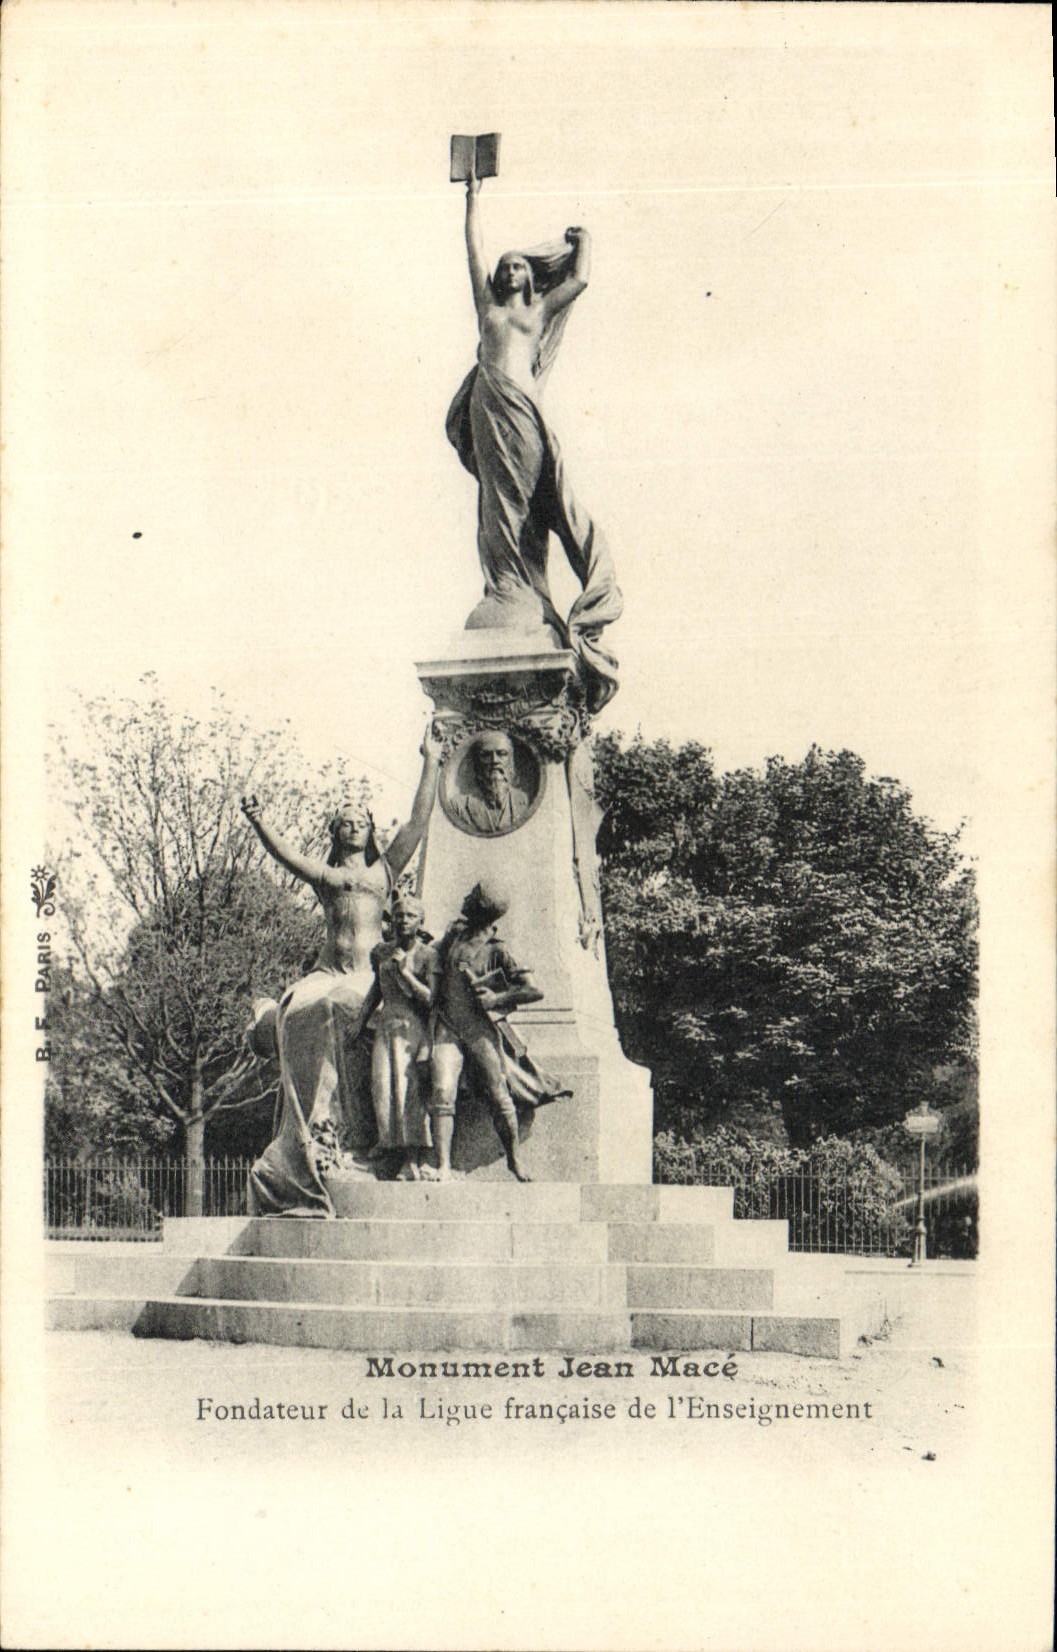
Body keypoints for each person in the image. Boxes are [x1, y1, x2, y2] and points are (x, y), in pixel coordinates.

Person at [240, 731, 443, 1215]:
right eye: (345, 823)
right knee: (298, 1009)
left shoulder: (384, 873)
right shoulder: (328, 877)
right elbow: (285, 854)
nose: (353, 827)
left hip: (369, 973)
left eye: (360, 822)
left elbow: (418, 821)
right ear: (335, 833)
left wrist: (431, 761)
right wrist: (257, 820)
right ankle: (313, 1133)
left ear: (370, 830)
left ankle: (345, 1133)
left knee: (341, 1007)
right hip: (327, 968)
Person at [445, 162, 623, 715]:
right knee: (495, 502)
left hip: (523, 414)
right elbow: (471, 249)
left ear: (530, 277)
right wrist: (472, 197)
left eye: (520, 265)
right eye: (508, 265)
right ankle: (505, 589)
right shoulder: (488, 310)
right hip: (488, 406)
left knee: (527, 505)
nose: (512, 269)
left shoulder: (540, 311)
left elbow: (580, 280)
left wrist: (584, 242)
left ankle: (530, 592)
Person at [426, 880, 569, 1182]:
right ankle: (442, 1165)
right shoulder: (454, 935)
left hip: (480, 1030)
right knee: (442, 1090)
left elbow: (533, 991)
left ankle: (515, 1160)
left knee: (498, 1094)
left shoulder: (497, 950)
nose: (464, 897)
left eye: (471, 895)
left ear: (480, 907)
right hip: (448, 1026)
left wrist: (497, 998)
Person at [353, 895, 434, 1182]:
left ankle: (411, 1159)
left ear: (420, 921)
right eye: (399, 915)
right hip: (385, 1026)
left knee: (406, 1090)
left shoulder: (427, 955)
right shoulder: (381, 953)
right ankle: (389, 1150)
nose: (403, 921)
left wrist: (406, 974)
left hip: (411, 1028)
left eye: (410, 916)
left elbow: (432, 999)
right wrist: (360, 1021)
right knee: (382, 1088)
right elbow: (377, 989)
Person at [447, 730, 531, 835]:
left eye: (502, 754)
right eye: (486, 755)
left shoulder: (524, 801)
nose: (495, 760)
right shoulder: (460, 806)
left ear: (511, 762)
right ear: (477, 763)